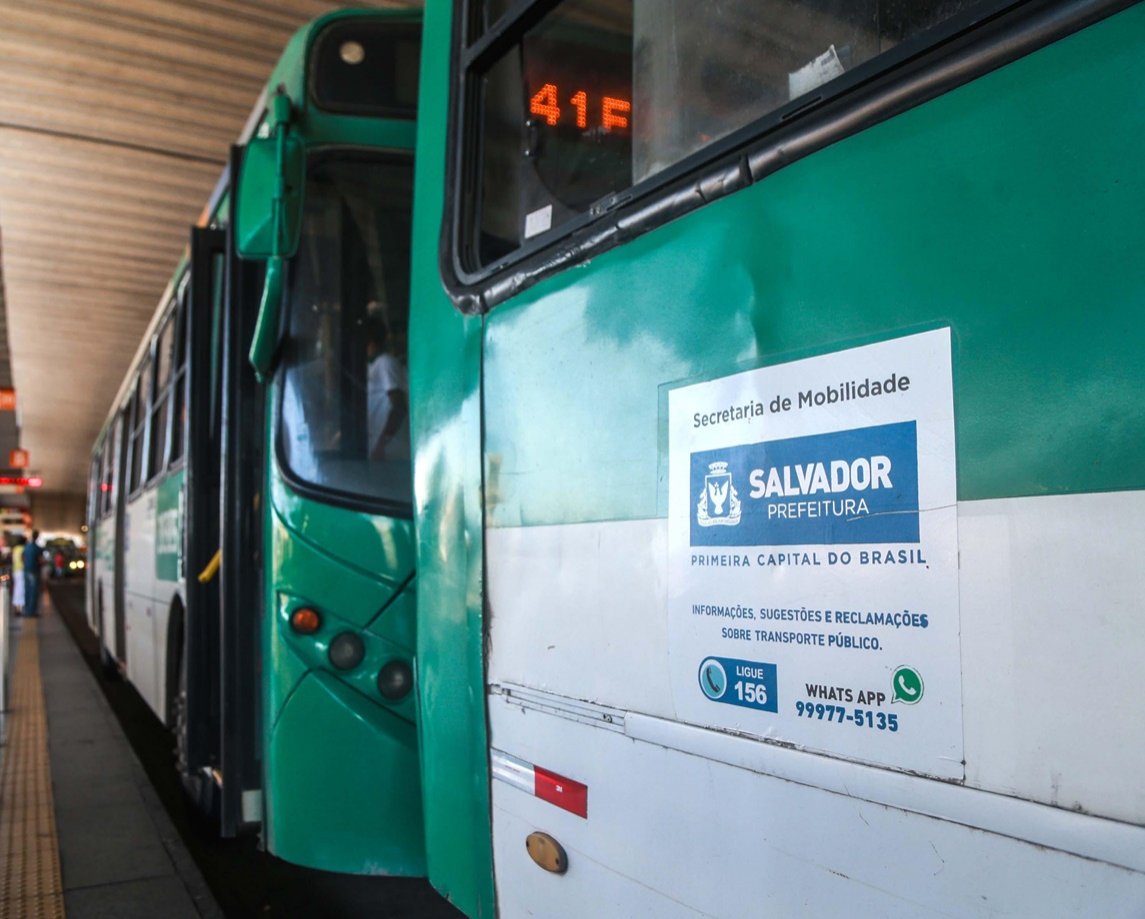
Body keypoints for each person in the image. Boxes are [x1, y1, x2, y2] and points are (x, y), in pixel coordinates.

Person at [365, 307, 409, 462]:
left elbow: (399, 407)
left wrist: (382, 444)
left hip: (389, 453)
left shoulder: (385, 363)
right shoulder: (371, 366)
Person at [23, 529, 43, 617]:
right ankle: (31, 612)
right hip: (34, 571)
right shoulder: (38, 548)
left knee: (27, 591)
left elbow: (22, 557)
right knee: (33, 592)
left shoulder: (26, 546)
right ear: (37, 536)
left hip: (26, 570)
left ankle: (27, 611)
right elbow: (40, 560)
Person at [10, 534, 25, 614]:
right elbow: (22, 559)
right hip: (21, 570)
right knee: (21, 589)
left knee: (17, 588)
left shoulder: (15, 549)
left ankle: (16, 606)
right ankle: (19, 608)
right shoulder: (23, 548)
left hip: (15, 570)